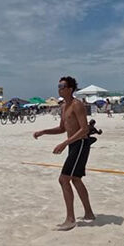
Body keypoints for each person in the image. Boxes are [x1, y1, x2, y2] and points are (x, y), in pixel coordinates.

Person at [33, 76, 95, 231]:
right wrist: (44, 131)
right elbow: (62, 128)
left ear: (70, 89)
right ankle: (89, 213)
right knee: (75, 179)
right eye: (58, 86)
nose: (59, 88)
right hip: (73, 145)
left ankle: (70, 219)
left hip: (80, 144)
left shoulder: (77, 105)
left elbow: (84, 129)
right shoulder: (63, 107)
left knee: (64, 179)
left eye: (62, 86)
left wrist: (64, 143)